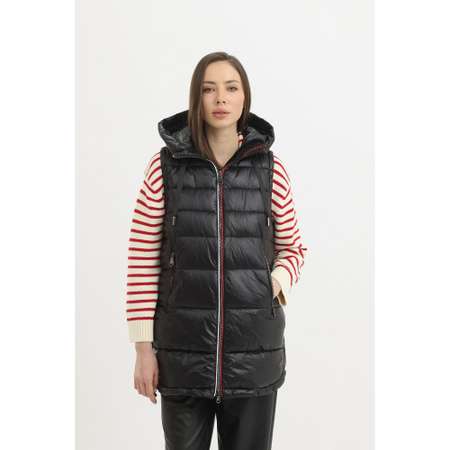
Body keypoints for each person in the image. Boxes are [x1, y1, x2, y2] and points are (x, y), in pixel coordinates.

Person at [125, 51, 307, 450]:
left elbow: (293, 247)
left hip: (254, 355)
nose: (221, 98)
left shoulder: (271, 170)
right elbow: (141, 258)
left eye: (231, 88)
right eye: (209, 89)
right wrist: (143, 349)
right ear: (197, 98)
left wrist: (272, 284)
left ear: (244, 98)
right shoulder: (164, 168)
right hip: (182, 355)